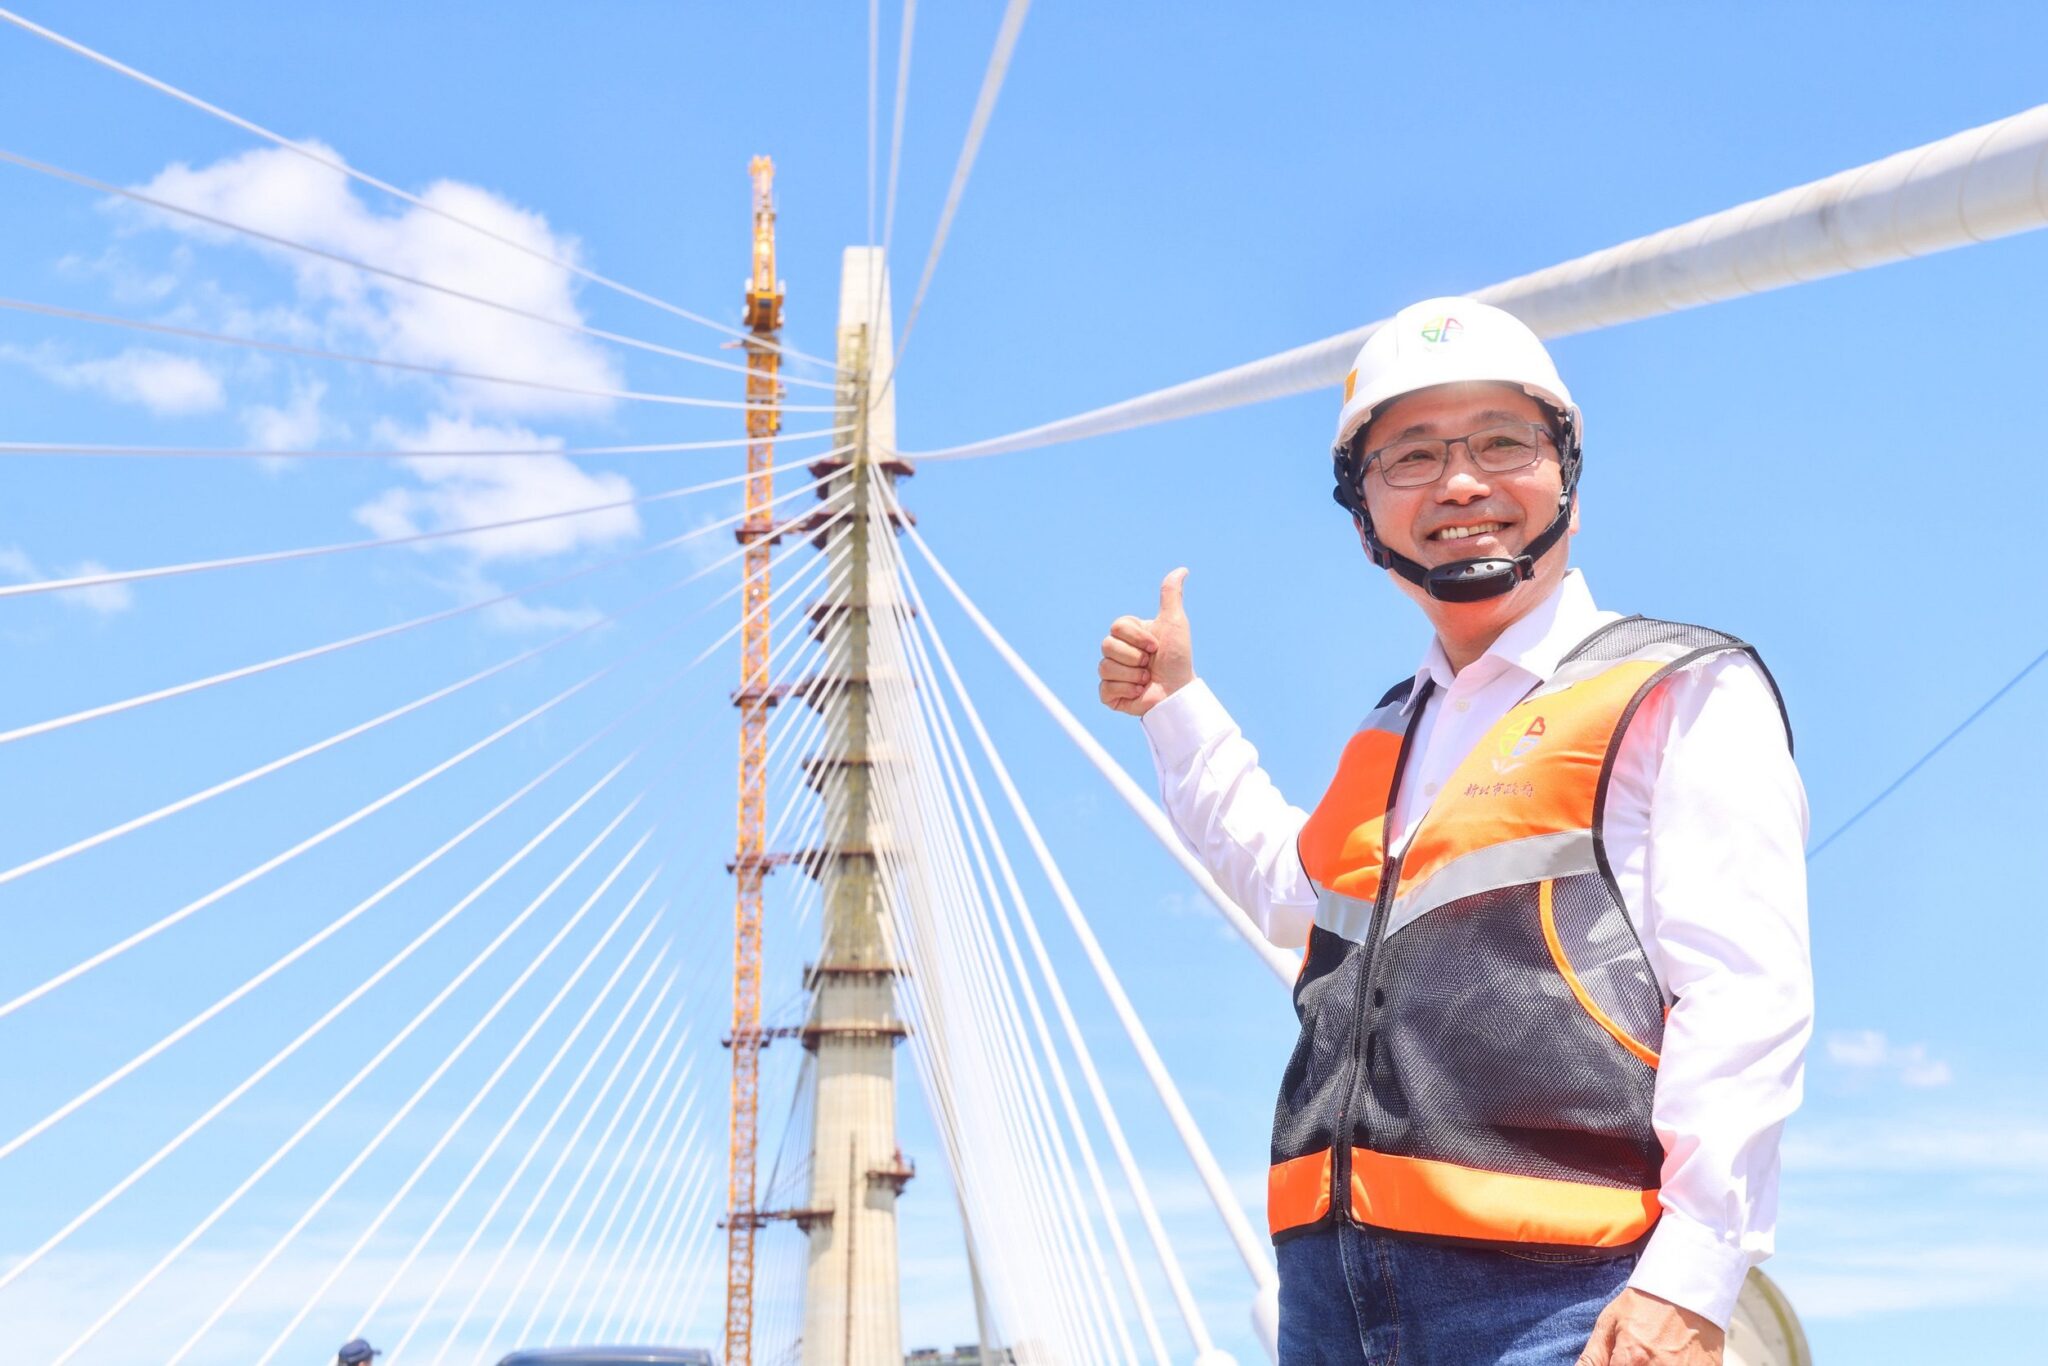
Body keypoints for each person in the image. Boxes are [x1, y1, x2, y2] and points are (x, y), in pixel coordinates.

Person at [1096, 297, 1812, 1366]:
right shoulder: (1392, 729)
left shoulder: (1676, 688)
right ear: (1360, 511)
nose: (1461, 482)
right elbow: (1287, 893)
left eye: (1500, 442)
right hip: (1328, 1296)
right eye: (1412, 456)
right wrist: (1175, 707)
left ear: (1565, 469)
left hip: (1564, 1298)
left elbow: (1744, 992)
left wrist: (1691, 1275)